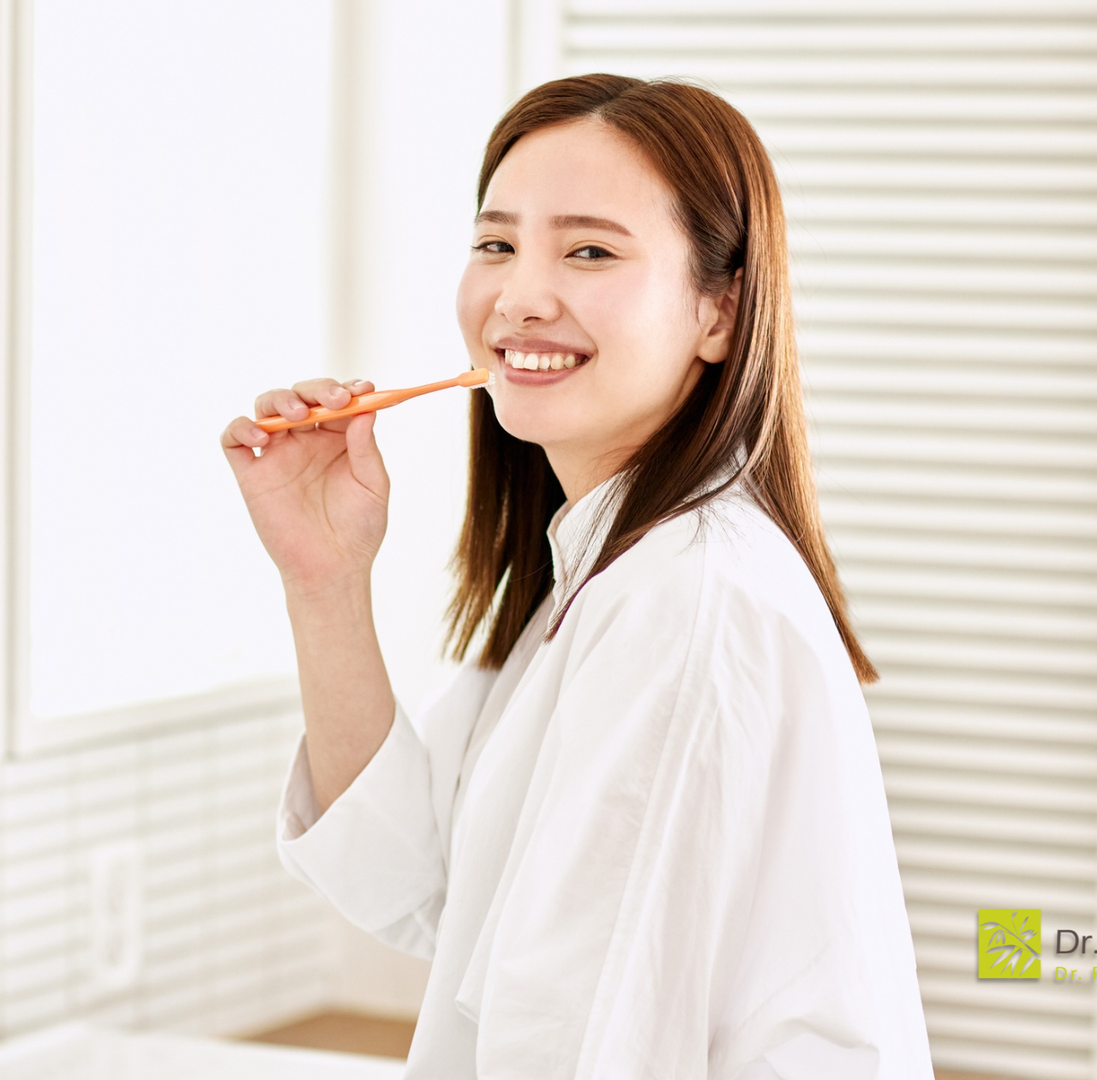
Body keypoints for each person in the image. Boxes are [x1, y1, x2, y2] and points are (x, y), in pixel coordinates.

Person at [220, 74, 932, 1079]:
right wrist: (324, 579)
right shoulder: (601, 574)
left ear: (720, 313)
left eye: (590, 250)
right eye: (497, 244)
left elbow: (575, 1039)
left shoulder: (685, 601)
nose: (520, 297)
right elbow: (420, 884)